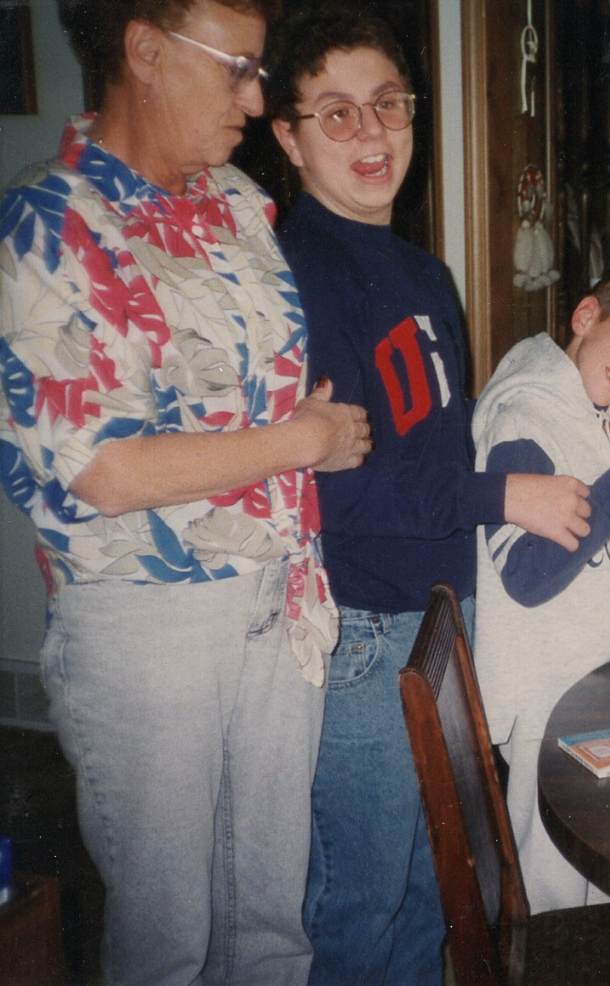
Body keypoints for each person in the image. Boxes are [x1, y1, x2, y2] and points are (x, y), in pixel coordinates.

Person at [0, 1, 373, 983]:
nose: (257, 98)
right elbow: (103, 468)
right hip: (146, 628)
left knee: (270, 925)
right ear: (146, 51)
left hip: (280, 596)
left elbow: (241, 408)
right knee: (170, 941)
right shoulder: (48, 220)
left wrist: (310, 436)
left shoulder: (243, 205)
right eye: (240, 70)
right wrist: (295, 438)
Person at [263, 10, 592, 984]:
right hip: (363, 627)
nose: (371, 134)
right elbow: (338, 499)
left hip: (439, 619)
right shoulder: (300, 275)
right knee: (362, 900)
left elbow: (434, 446)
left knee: (431, 889)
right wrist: (507, 494)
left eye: (388, 106)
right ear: (287, 137)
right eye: (336, 114)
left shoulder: (422, 270)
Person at [472, 270, 610, 914]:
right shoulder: (525, 413)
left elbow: (597, 554)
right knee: (562, 895)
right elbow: (530, 575)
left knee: (605, 876)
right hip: (556, 706)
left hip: (595, 694)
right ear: (585, 316)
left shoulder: (578, 408)